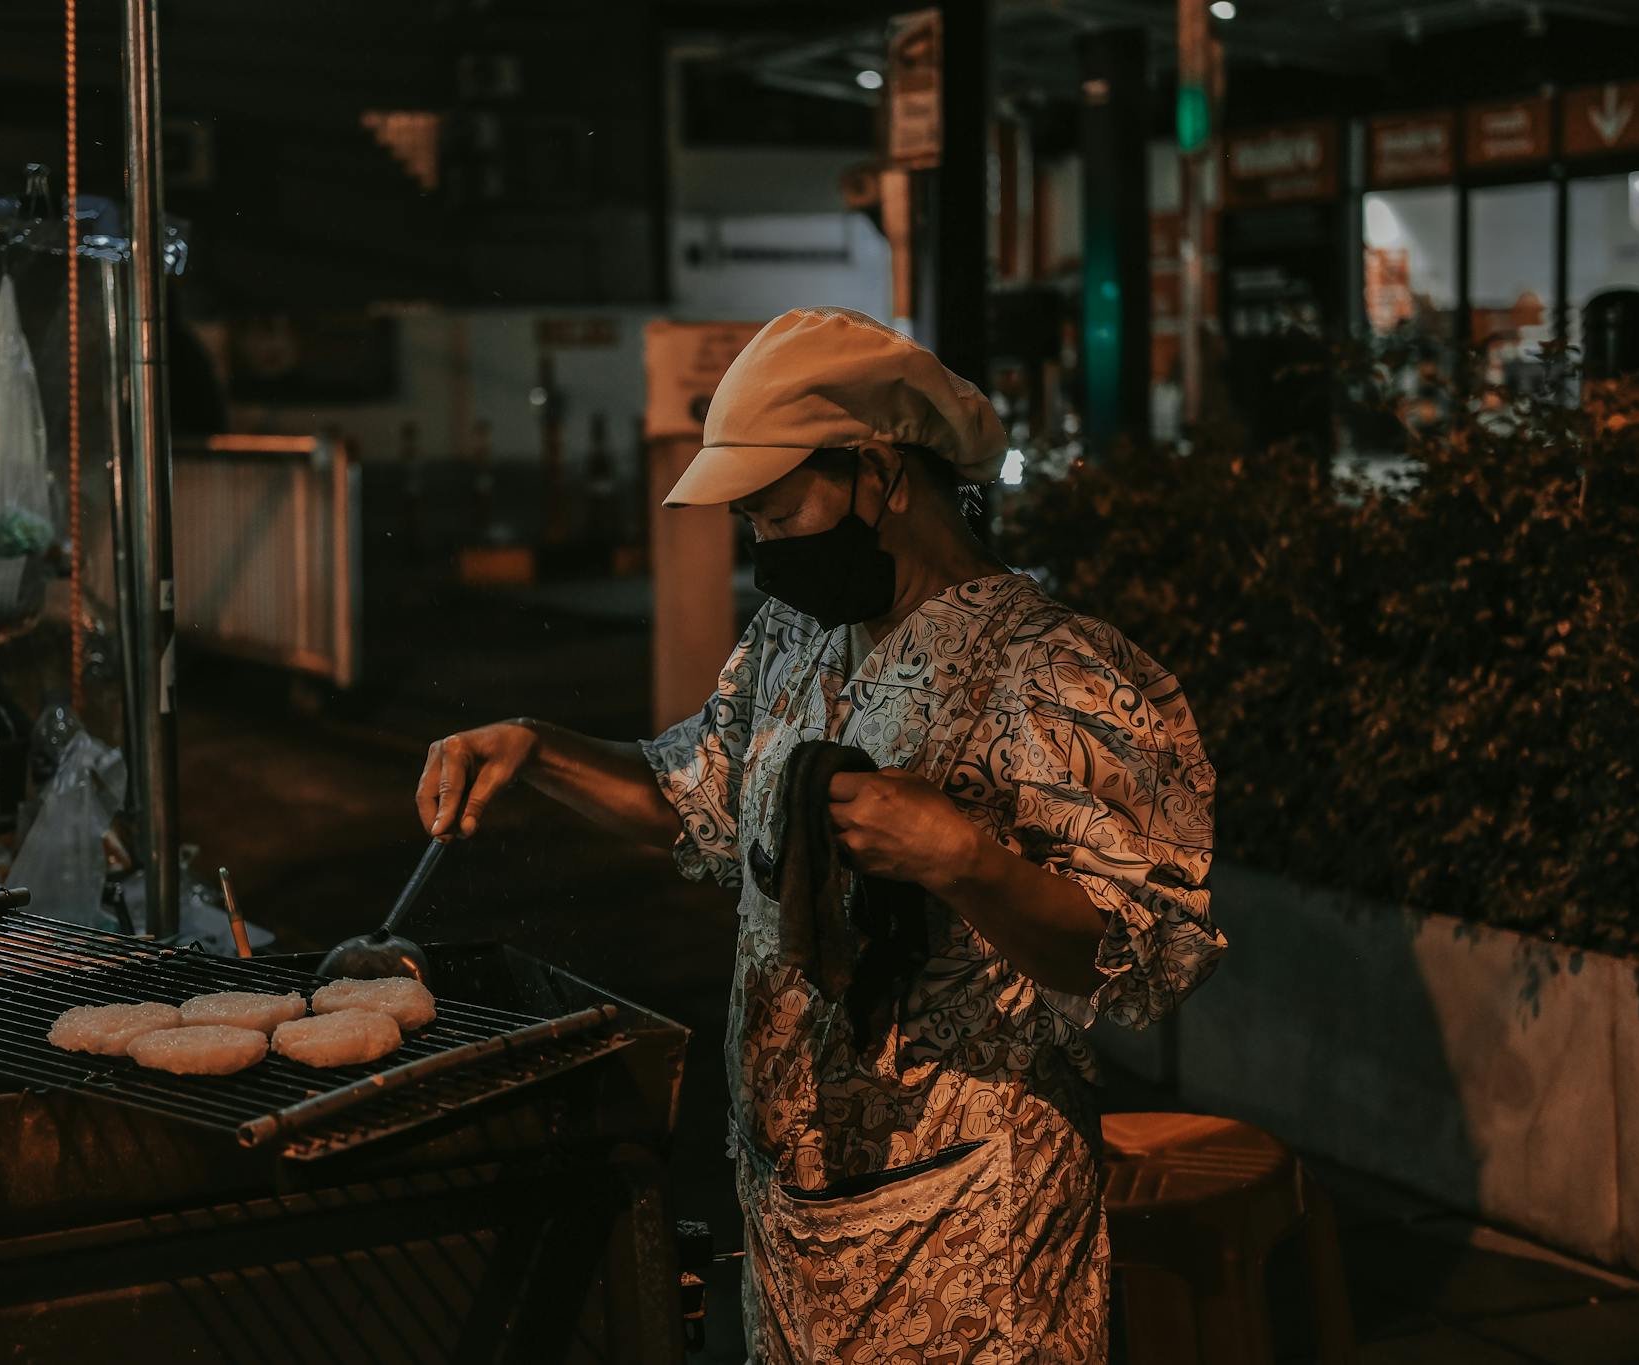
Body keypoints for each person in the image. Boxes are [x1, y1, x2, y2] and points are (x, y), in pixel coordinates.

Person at [416, 307, 1226, 1362]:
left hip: (972, 1229)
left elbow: (1148, 954)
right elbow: (693, 802)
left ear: (878, 473)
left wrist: (964, 862)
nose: (758, 541)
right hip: (791, 1211)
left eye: (772, 508)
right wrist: (537, 751)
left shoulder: (1060, 673)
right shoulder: (794, 642)